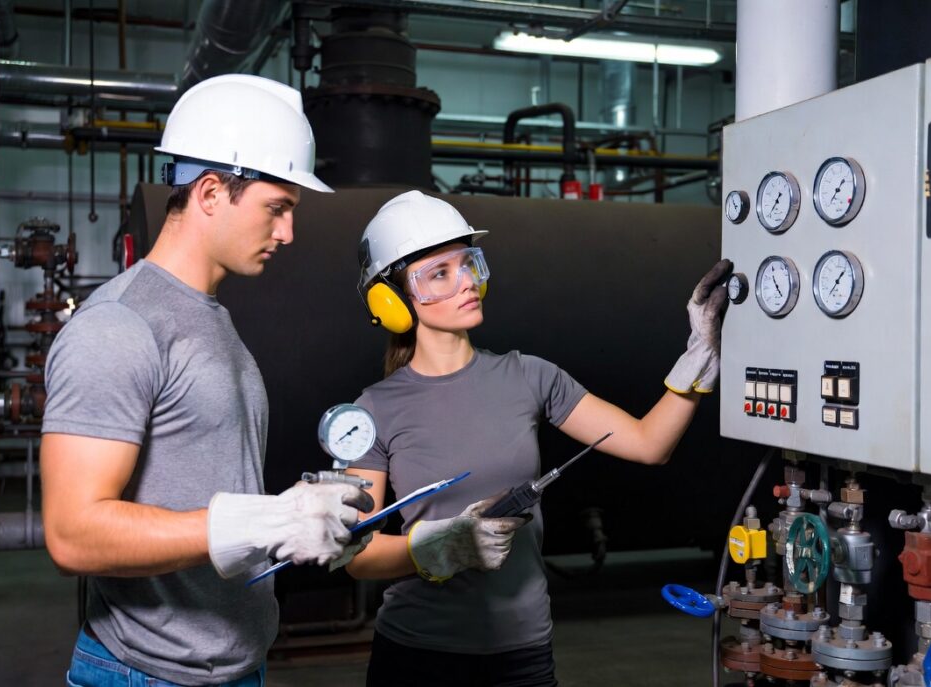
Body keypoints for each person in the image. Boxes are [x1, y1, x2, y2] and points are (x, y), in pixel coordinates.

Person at [40, 74, 373, 687]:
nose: (288, 234)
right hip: (150, 673)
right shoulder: (119, 324)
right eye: (277, 209)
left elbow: (206, 488)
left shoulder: (210, 318)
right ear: (213, 192)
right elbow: (71, 533)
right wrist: (266, 521)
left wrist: (301, 524)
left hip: (234, 662)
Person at [343, 190, 732, 686]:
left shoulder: (531, 376)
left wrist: (697, 357)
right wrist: (440, 548)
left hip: (521, 653)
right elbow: (356, 555)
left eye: (468, 264)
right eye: (439, 274)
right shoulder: (371, 411)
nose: (466, 282)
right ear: (392, 301)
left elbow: (648, 444)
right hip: (417, 654)